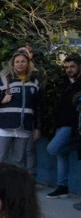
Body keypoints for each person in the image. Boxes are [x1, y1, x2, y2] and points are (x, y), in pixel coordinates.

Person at [0, 48, 41, 171]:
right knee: (0, 159)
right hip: (4, 125)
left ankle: (16, 188)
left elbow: (38, 106)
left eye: (23, 61)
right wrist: (1, 99)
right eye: (17, 61)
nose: (20, 64)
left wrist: (37, 127)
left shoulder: (35, 82)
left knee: (19, 161)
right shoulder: (3, 79)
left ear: (28, 63)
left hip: (24, 127)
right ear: (13, 63)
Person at [44, 53, 81, 198]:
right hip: (61, 122)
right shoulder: (66, 82)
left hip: (72, 125)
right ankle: (62, 187)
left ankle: (78, 144)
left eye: (72, 66)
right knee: (61, 154)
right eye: (66, 67)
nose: (69, 70)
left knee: (53, 148)